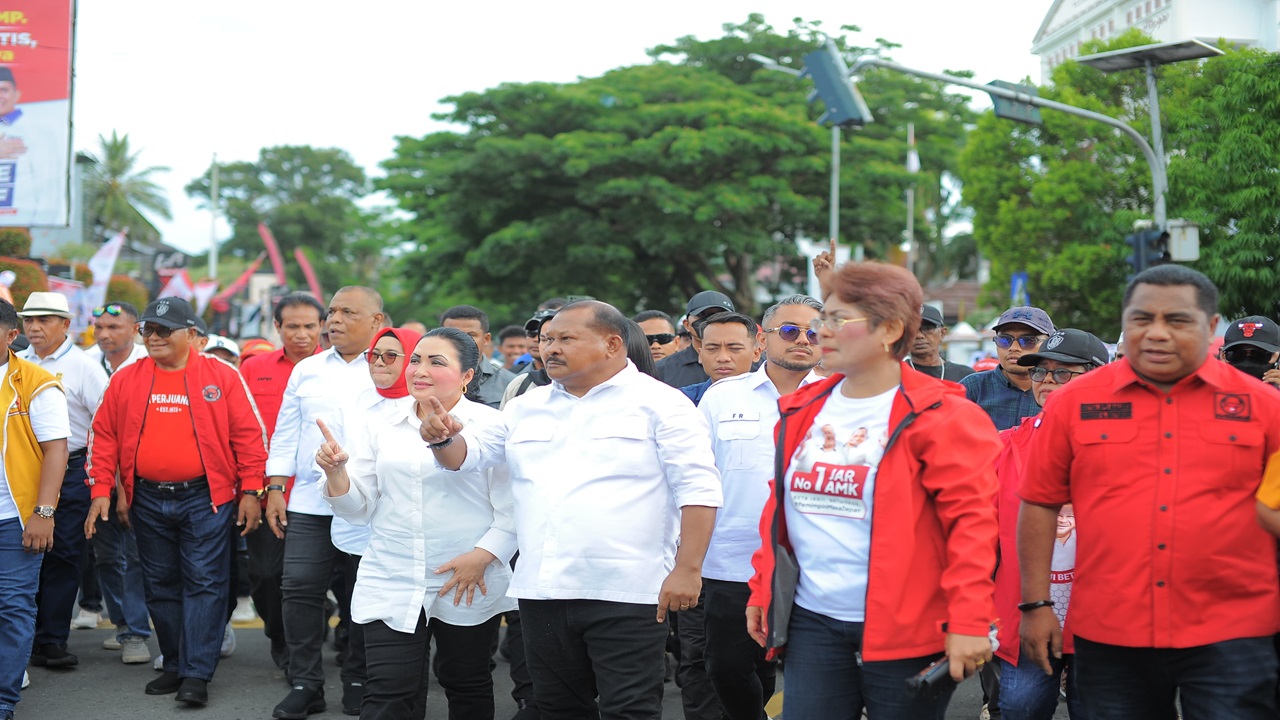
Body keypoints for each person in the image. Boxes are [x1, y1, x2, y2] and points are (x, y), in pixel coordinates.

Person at [421, 300, 722, 720]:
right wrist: (440, 438)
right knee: (558, 708)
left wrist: (688, 570)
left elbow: (699, 490)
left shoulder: (663, 405)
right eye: (546, 340)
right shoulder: (527, 406)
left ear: (612, 344)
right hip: (544, 591)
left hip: (627, 591)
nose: (550, 349)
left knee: (629, 710)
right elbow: (466, 457)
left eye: (565, 339)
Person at [1020, 265, 1280, 720]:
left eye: (1177, 320)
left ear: (1211, 326)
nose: (1157, 333)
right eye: (1141, 319)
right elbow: (1039, 502)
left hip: (1233, 631)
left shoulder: (1265, 409)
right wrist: (1036, 604)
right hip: (1112, 630)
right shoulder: (1074, 404)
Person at [746, 262, 1001, 719]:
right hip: (812, 622)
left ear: (890, 330)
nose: (820, 331)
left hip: (908, 628)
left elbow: (972, 528)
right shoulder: (802, 409)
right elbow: (780, 509)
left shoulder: (944, 414)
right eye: (825, 316)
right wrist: (762, 590)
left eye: (838, 320)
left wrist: (969, 620)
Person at [319, 327, 516, 720]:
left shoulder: (492, 426)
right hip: (392, 574)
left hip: (466, 578)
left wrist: (483, 556)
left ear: (467, 376)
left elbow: (512, 509)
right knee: (388, 692)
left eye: (437, 362)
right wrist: (337, 474)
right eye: (416, 360)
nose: (419, 370)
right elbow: (358, 510)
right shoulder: (380, 423)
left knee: (466, 682)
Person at [84, 297, 266, 706]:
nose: (154, 337)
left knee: (205, 583)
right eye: (148, 330)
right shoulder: (127, 378)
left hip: (206, 498)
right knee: (160, 584)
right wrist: (102, 491)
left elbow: (249, 438)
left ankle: (197, 673)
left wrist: (252, 490)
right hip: (146, 498)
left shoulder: (224, 376)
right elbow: (103, 436)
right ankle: (175, 664)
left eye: (165, 330)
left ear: (192, 336)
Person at [698, 295, 823, 720]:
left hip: (815, 561)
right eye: (790, 331)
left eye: (813, 332)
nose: (802, 340)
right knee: (727, 667)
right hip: (732, 560)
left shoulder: (840, 398)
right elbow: (696, 476)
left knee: (806, 668)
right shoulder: (721, 398)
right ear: (762, 338)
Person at [265, 287, 382, 720]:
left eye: (347, 312)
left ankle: (358, 677)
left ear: (376, 320)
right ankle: (306, 683)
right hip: (309, 503)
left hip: (369, 505)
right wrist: (275, 487)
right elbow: (286, 431)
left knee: (361, 592)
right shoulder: (307, 370)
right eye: (331, 311)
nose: (333, 320)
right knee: (297, 589)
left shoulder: (389, 369)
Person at [992, 328, 1108, 720]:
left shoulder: (1126, 449)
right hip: (1026, 618)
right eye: (1040, 373)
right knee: (1023, 709)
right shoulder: (1003, 445)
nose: (1046, 382)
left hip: (1104, 625)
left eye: (1062, 373)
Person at [321, 324, 421, 715]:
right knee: (359, 612)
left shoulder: (425, 404)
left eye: (390, 356)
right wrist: (334, 469)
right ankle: (356, 678)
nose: (378, 362)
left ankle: (400, 688)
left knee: (402, 622)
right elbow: (330, 458)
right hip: (357, 529)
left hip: (405, 533)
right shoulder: (353, 402)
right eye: (373, 355)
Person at [15, 292, 108, 670]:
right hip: (21, 469)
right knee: (23, 551)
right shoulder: (15, 363)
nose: (34, 328)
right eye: (29, 321)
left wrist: (102, 479)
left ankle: (52, 639)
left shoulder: (84, 367)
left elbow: (105, 425)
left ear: (66, 325)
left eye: (45, 320)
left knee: (64, 553)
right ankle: (26, 637)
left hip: (71, 470)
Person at [238, 292, 324, 674]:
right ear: (277, 327)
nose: (302, 334)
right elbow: (242, 433)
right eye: (293, 326)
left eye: (309, 326)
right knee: (266, 574)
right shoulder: (254, 368)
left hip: (327, 494)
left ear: (322, 326)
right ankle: (281, 637)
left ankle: (320, 648)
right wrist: (252, 491)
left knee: (330, 577)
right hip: (267, 490)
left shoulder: (341, 369)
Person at [0, 298, 68, 720]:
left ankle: (3, 699)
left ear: (10, 337)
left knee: (13, 608)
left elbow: (56, 450)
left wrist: (43, 513)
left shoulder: (35, 383)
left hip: (14, 519)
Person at [80, 301, 153, 665]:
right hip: (94, 474)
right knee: (106, 556)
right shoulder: (85, 363)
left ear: (136, 329)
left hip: (141, 480)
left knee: (139, 558)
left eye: (114, 327)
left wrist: (124, 489)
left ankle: (142, 629)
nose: (105, 334)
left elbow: (131, 435)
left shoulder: (148, 365)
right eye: (100, 327)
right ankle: (127, 626)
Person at [960, 307, 1055, 432]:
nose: (1013, 348)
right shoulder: (973, 387)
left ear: (1049, 343)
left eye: (1028, 341)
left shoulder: (1060, 389)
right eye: (1005, 340)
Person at [441, 305, 516, 409]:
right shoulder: (426, 379)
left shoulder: (511, 383)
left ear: (486, 339)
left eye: (471, 335)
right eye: (454, 334)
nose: (463, 340)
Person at [655, 291, 736, 388]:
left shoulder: (754, 364)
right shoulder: (663, 370)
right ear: (687, 325)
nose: (710, 321)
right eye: (702, 315)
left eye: (720, 315)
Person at [679, 312, 762, 405]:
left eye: (734, 349)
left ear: (756, 353)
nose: (723, 358)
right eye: (712, 349)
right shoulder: (681, 401)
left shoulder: (771, 400)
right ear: (700, 355)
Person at [907, 305, 974, 382]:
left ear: (942, 333)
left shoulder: (965, 376)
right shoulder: (894, 375)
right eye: (912, 329)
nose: (919, 335)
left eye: (927, 328)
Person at [83, 302, 148, 377]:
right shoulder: (85, 361)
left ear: (134, 329)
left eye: (113, 327)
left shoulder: (150, 362)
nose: (103, 335)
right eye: (99, 327)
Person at [1219, 315, 1280, 388]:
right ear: (1223, 356)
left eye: (1260, 355)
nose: (1247, 363)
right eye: (1237, 354)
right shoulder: (1210, 391)